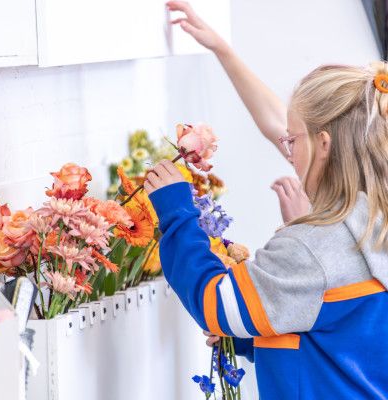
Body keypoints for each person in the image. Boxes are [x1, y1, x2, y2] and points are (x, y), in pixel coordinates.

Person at [144, 3, 388, 399]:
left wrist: (176, 213)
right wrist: (253, 332)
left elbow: (214, 303)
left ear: (324, 145)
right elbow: (339, 342)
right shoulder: (376, 224)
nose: (287, 150)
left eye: (293, 141)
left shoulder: (312, 249)